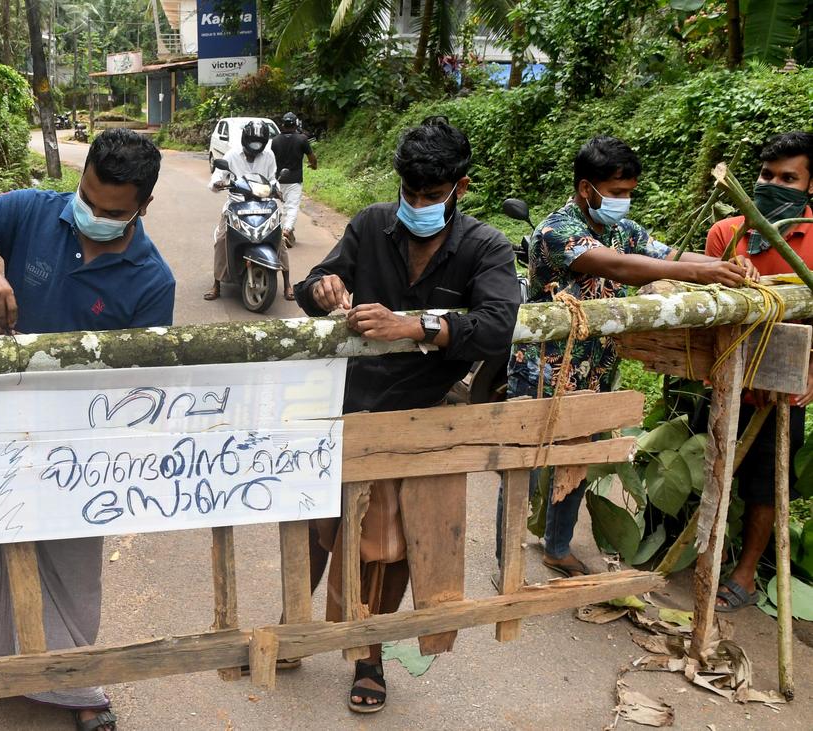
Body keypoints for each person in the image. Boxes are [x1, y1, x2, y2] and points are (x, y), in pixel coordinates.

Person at [0, 128, 174, 731]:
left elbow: (145, 385)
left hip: (85, 441)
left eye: (112, 212)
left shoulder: (152, 280)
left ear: (142, 206)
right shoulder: (34, 211)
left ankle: (75, 682)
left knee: (74, 558)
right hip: (3, 419)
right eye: (87, 199)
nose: (93, 216)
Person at [293, 116, 521, 713]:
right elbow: (314, 282)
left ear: (460, 188)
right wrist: (322, 288)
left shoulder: (487, 247)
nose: (418, 205)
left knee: (390, 544)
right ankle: (294, 628)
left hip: (420, 416)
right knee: (317, 524)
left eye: (432, 195)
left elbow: (498, 326)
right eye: (410, 193)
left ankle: (369, 655)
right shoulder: (371, 224)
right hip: (345, 403)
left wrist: (415, 325)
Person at [502, 135, 757, 577]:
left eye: (629, 192)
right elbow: (619, 266)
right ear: (586, 188)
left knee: (576, 463)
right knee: (523, 467)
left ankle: (557, 548)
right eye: (617, 192)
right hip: (542, 371)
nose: (624, 200)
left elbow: (668, 254)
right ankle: (505, 558)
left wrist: (726, 266)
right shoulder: (555, 230)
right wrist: (700, 272)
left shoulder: (626, 230)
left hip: (596, 370)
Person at [704, 131, 813, 612]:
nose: (773, 184)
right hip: (723, 375)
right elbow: (704, 307)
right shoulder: (726, 233)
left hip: (783, 384)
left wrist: (811, 371)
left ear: (810, 186)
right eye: (767, 175)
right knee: (711, 465)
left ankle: (745, 572)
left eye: (789, 178)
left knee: (768, 483)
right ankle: (702, 550)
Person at [204, 120, 290, 300]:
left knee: (279, 238)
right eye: (252, 142)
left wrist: (276, 189)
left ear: (264, 142)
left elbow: (272, 178)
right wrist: (218, 183)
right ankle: (216, 284)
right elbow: (217, 176)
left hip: (264, 203)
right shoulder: (232, 155)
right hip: (236, 204)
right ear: (245, 139)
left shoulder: (268, 156)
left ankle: (287, 283)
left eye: (259, 143)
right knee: (221, 239)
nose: (255, 147)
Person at [271, 112, 318, 249]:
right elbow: (311, 157)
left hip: (278, 179)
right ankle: (286, 230)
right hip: (294, 179)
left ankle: (283, 230)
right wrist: (314, 165)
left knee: (282, 206)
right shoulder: (302, 139)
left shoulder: (275, 140)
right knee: (292, 206)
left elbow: (270, 159)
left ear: (283, 124)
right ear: (296, 124)